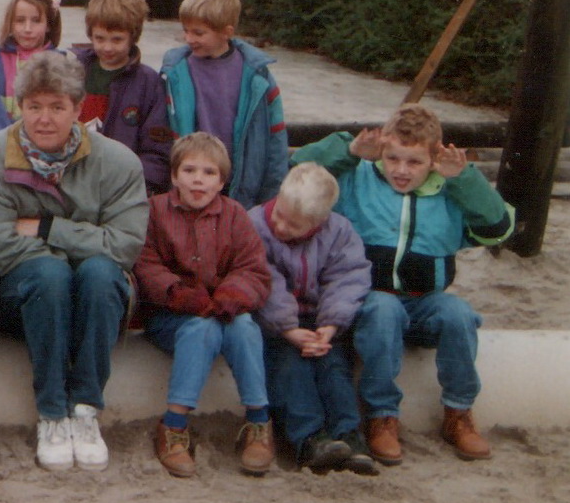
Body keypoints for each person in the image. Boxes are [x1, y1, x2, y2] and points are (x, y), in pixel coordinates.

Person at [292, 105, 514, 464]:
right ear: (381, 152)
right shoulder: (358, 178)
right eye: (392, 158)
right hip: (369, 299)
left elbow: (497, 228)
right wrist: (348, 153)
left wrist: (466, 180)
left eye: (413, 162)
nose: (400, 170)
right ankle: (382, 415)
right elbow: (300, 172)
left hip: (425, 298)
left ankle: (458, 413)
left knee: (459, 314)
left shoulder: (450, 188)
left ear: (433, 159)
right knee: (383, 309)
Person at [0, 49, 146, 473]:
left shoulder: (118, 162)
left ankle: (85, 408)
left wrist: (48, 228)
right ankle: (51, 411)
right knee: (50, 273)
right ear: (19, 107)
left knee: (101, 274)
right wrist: (78, 249)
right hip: (25, 290)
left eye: (57, 107)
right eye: (34, 107)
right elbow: (2, 249)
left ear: (79, 110)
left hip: (95, 291)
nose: (45, 118)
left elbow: (124, 248)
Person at [135, 133, 275, 478]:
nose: (198, 179)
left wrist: (230, 296)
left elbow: (253, 268)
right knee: (201, 328)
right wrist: (181, 294)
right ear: (174, 176)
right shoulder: (155, 212)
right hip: (172, 316)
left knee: (245, 326)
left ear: (222, 181)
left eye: (209, 173)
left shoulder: (234, 215)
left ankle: (258, 422)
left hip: (224, 311)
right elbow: (146, 265)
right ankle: (174, 425)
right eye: (190, 170)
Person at [249, 163, 376, 474]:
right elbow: (265, 280)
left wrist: (329, 326)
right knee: (290, 368)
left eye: (294, 226)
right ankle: (308, 439)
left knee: (334, 366)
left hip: (320, 321)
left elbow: (347, 278)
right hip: (274, 324)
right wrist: (288, 328)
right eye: (279, 215)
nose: (281, 227)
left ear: (318, 223)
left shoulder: (339, 231)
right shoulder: (254, 224)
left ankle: (348, 435)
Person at [158, 0, 287, 209]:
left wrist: (271, 196)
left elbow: (275, 138)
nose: (189, 39)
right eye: (186, 30)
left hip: (240, 187)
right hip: (191, 184)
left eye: (198, 33)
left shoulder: (258, 77)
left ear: (226, 32)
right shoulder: (176, 72)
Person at [71, 0, 170, 195]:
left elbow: (156, 150)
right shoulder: (71, 70)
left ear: (133, 37)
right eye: (99, 38)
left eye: (117, 39)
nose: (107, 47)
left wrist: (138, 186)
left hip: (122, 186)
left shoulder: (149, 83)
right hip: (72, 179)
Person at [0, 0, 63, 141]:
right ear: (11, 23)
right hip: (1, 150)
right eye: (20, 21)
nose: (27, 29)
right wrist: (8, 146)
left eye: (36, 21)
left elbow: (63, 112)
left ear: (48, 25)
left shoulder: (62, 63)